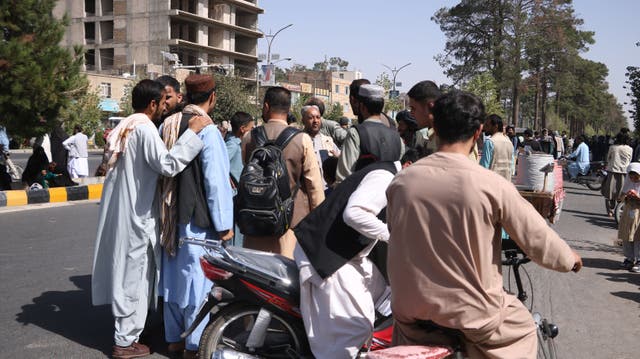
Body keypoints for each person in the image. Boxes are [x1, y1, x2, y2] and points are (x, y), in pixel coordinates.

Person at [386, 90, 582, 359]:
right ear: (478, 132)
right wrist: (569, 259)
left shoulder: (401, 182)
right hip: (472, 316)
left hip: (410, 312)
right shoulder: (491, 185)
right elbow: (538, 239)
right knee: (524, 328)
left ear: (435, 127)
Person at [91, 79, 212, 359]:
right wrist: (192, 134)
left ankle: (129, 336)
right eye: (162, 102)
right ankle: (124, 342)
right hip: (137, 217)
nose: (165, 107)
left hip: (125, 214)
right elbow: (168, 165)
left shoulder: (125, 124)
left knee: (131, 276)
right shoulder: (144, 128)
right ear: (153, 104)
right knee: (133, 278)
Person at [159, 74, 234, 359]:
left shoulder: (169, 122)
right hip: (197, 221)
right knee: (197, 284)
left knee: (174, 281)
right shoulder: (207, 129)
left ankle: (173, 339)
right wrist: (224, 224)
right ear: (212, 97)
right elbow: (216, 182)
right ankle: (193, 344)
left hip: (170, 217)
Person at [294, 159, 400, 358]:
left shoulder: (386, 175)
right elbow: (354, 214)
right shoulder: (386, 178)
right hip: (328, 256)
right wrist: (394, 236)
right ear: (409, 165)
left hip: (344, 254)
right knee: (356, 326)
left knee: (382, 295)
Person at [241, 86, 325, 258]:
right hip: (291, 227)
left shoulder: (249, 138)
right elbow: (314, 188)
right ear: (289, 109)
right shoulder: (301, 139)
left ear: (266, 107)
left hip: (254, 226)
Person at [335, 84, 402, 183]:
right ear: (382, 107)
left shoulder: (356, 133)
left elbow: (344, 176)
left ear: (361, 106)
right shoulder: (397, 137)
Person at [301, 104, 340, 189]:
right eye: (311, 118)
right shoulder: (298, 141)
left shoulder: (328, 141)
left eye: (318, 117)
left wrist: (338, 159)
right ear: (303, 120)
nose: (315, 121)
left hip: (327, 193)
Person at [407, 80, 442, 156]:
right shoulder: (422, 136)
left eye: (413, 108)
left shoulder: (451, 139)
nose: (411, 113)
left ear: (430, 107)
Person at [602, 132, 633, 216]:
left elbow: (608, 158)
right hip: (624, 172)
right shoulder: (630, 149)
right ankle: (621, 209)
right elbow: (630, 160)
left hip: (612, 171)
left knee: (609, 192)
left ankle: (610, 211)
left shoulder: (612, 147)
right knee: (622, 192)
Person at [617, 162, 640, 273]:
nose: (633, 179)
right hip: (628, 213)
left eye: (636, 176)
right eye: (631, 177)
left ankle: (639, 260)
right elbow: (620, 198)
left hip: (639, 215)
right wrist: (626, 196)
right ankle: (629, 258)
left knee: (637, 238)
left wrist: (637, 196)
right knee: (627, 236)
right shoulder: (628, 183)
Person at [479, 114, 514, 181]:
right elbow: (512, 168)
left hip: (492, 184)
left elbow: (484, 167)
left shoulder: (489, 142)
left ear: (496, 126)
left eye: (487, 125)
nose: (485, 128)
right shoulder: (509, 143)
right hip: (506, 184)